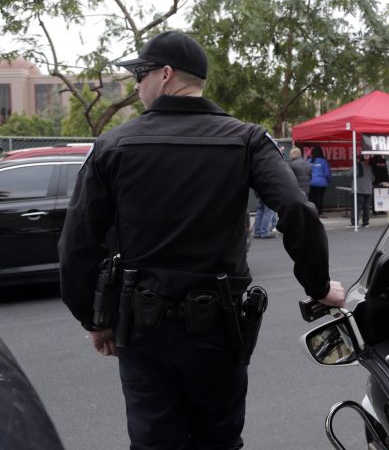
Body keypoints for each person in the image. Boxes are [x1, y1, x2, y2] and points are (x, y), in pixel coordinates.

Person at [58, 31, 345, 450]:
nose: (137, 85)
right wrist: (318, 286)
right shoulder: (247, 140)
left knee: (154, 441)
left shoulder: (113, 144)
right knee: (219, 440)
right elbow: (298, 211)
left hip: (141, 330)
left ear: (167, 74)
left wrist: (95, 319)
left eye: (141, 73)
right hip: (218, 329)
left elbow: (77, 243)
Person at [349, 155, 373, 227]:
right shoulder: (369, 167)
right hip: (368, 190)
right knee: (366, 208)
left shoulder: (356, 166)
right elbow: (373, 178)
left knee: (356, 207)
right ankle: (366, 223)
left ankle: (355, 222)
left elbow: (350, 174)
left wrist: (354, 165)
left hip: (358, 190)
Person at [308, 145, 332, 217]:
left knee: (312, 198)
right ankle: (319, 213)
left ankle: (312, 213)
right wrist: (328, 181)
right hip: (322, 183)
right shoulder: (323, 161)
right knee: (320, 197)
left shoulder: (309, 161)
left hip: (311, 182)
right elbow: (327, 173)